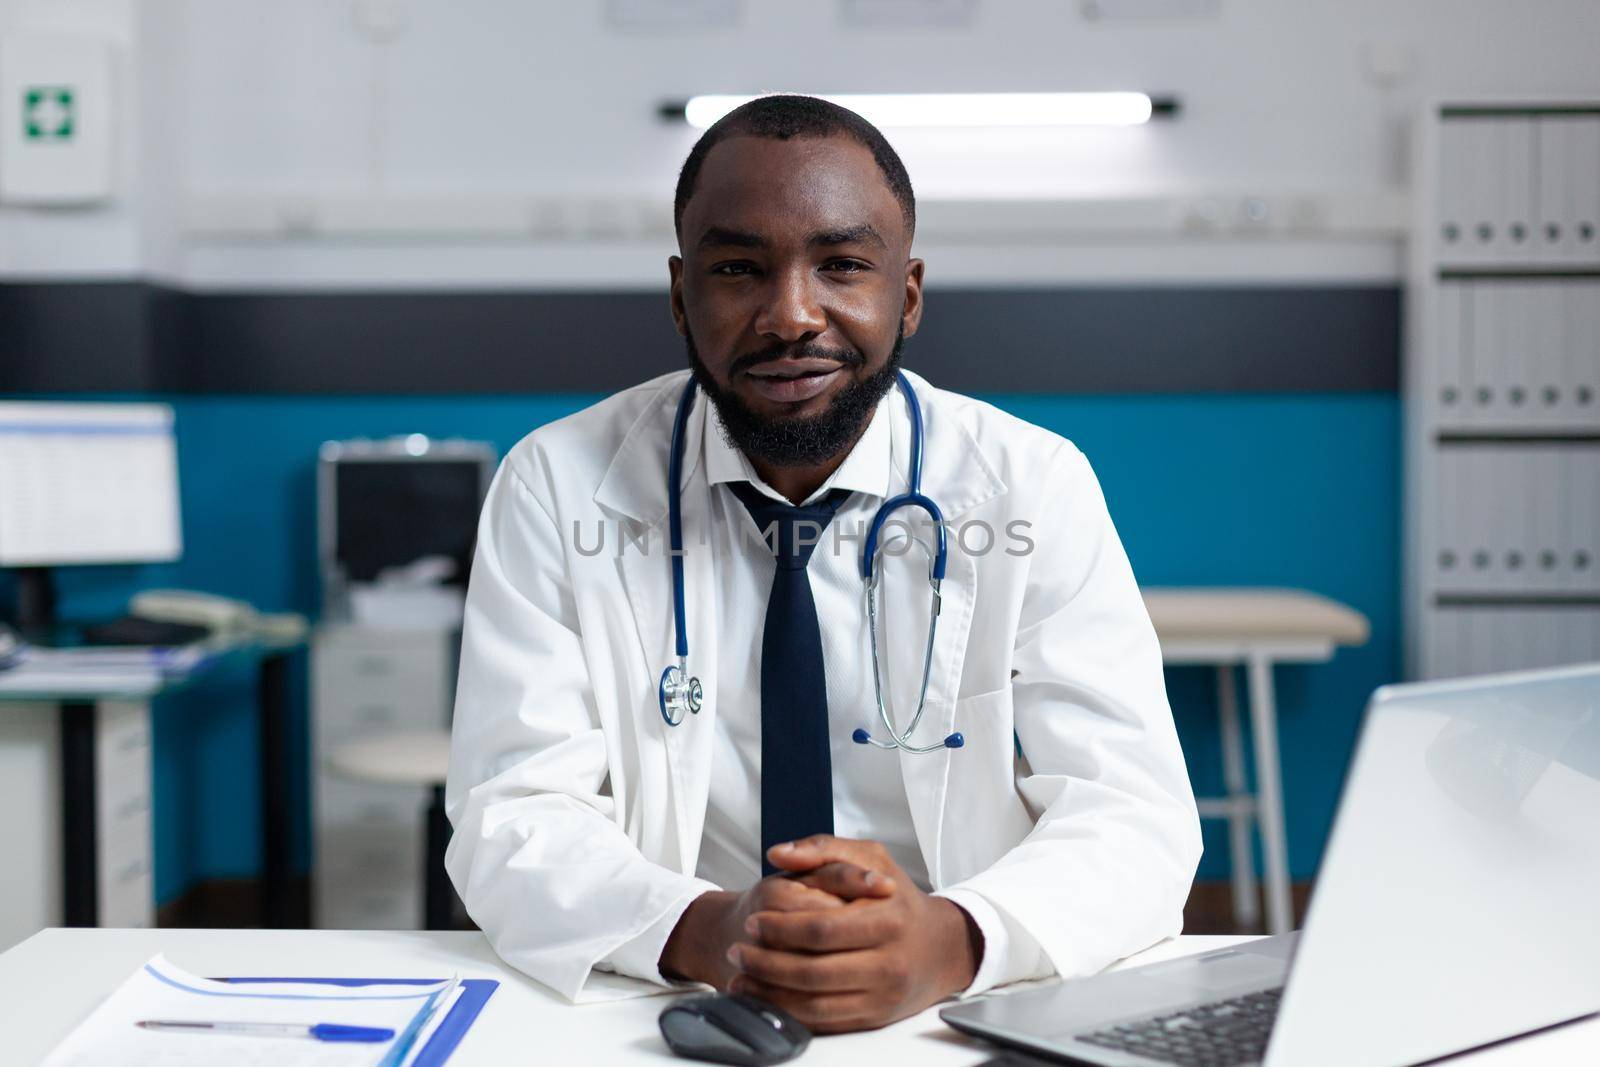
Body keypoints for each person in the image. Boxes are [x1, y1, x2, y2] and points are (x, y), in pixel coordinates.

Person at [444, 94, 1200, 1033]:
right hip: (671, 992)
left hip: (964, 1000)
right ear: (682, 297)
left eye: (842, 264)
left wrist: (953, 938)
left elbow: (1135, 816)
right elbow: (510, 817)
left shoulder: (1030, 486)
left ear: (908, 295)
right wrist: (715, 930)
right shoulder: (557, 485)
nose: (792, 314)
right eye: (738, 268)